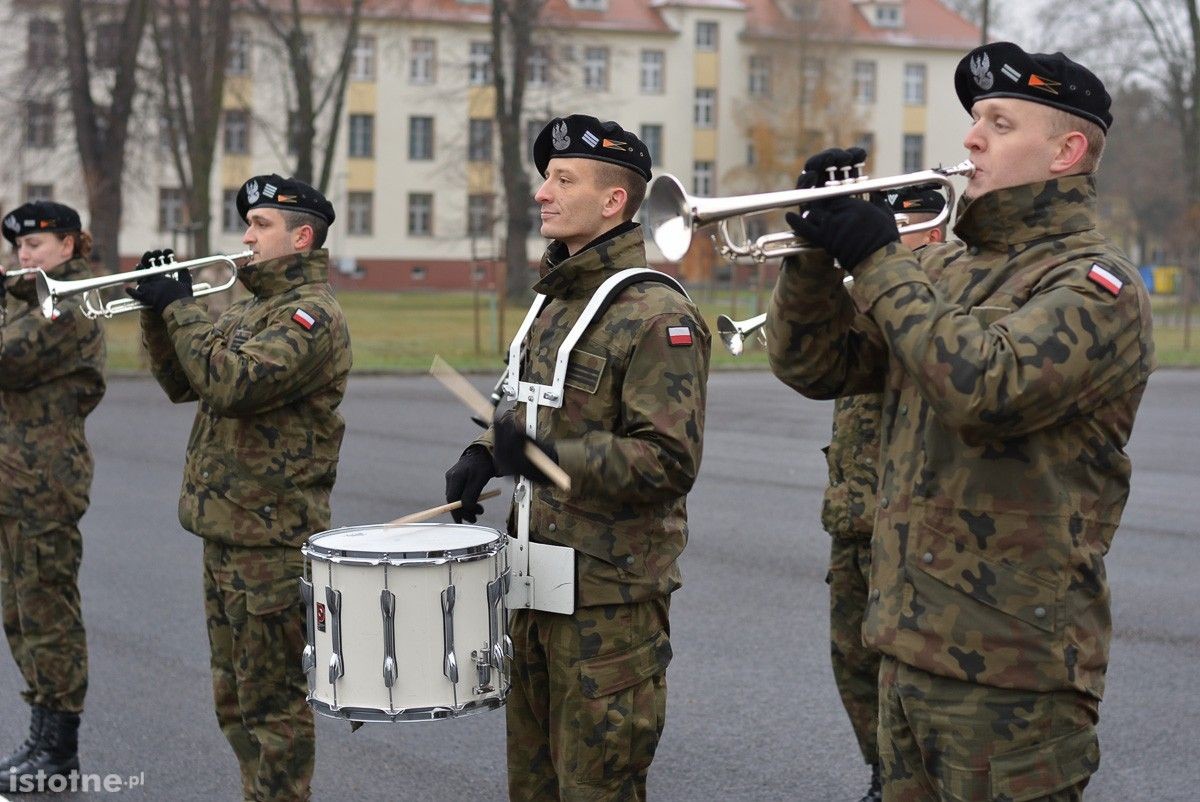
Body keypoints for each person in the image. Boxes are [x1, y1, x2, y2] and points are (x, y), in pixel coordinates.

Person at [768, 41, 1155, 800]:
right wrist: (812, 256)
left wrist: (878, 259)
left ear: (1066, 152)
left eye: (1000, 123)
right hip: (906, 649)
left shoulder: (1095, 284)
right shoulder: (943, 269)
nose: (972, 139)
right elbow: (815, 365)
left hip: (1012, 673)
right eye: (976, 120)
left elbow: (987, 387)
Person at [443, 114, 710, 801]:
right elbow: (532, 409)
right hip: (533, 589)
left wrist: (544, 456)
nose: (542, 193)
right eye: (547, 178)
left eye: (564, 180)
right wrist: (486, 452)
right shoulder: (555, 302)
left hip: (608, 607)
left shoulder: (656, 313)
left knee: (598, 790)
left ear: (614, 200)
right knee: (533, 788)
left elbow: (667, 461)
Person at [130, 175, 351, 802]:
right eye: (248, 224)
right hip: (227, 530)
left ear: (301, 237)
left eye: (260, 225)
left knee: (271, 706)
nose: (247, 237)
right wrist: (156, 310)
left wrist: (181, 306)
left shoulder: (311, 316)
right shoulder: (250, 307)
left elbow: (233, 384)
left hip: (270, 541)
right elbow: (186, 382)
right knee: (233, 702)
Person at [821, 184, 947, 802]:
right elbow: (813, 362)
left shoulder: (934, 299)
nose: (890, 236)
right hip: (852, 510)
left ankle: (912, 776)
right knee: (852, 657)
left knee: (907, 668)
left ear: (935, 230)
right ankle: (881, 768)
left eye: (904, 224)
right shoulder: (868, 294)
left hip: (904, 520)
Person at [0, 202, 106, 791]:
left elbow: (9, 358)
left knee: (48, 614)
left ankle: (60, 751)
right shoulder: (32, 296)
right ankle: (40, 738)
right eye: (19, 246)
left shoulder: (70, 303)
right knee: (20, 613)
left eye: (35, 245)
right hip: (14, 478)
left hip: (44, 480)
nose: (24, 255)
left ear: (68, 245)